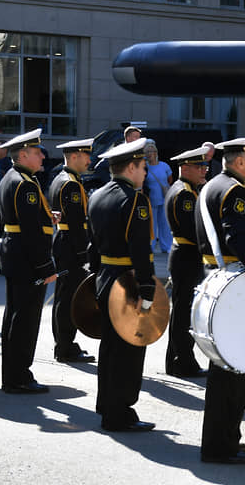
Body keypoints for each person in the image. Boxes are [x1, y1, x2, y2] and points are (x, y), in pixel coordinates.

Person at [195, 135, 245, 464]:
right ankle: (222, 445)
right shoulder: (236, 191)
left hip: (217, 281)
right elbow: (236, 236)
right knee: (233, 371)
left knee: (223, 369)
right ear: (241, 161)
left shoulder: (212, 185)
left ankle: (222, 441)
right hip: (234, 286)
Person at [87, 137, 156, 432]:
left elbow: (93, 246)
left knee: (111, 348)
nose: (145, 173)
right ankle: (120, 414)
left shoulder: (97, 195)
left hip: (104, 277)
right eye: (143, 167)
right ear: (130, 167)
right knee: (129, 349)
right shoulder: (135, 200)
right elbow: (140, 251)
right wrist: (148, 290)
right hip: (126, 283)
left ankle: (107, 404)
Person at [0, 129, 57, 394]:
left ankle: (13, 374)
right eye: (37, 152)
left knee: (15, 316)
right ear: (23, 154)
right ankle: (19, 377)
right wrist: (46, 268)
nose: (43, 156)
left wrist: (46, 217)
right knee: (25, 320)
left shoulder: (13, 177)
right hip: (27, 260)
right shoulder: (25, 183)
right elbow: (31, 232)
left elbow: (22, 220)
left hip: (16, 254)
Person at [48, 138, 95, 364]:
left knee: (63, 296)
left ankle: (64, 343)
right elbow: (77, 223)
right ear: (74, 156)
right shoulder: (71, 184)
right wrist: (83, 254)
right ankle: (65, 347)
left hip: (64, 241)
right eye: (86, 155)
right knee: (69, 298)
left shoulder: (62, 178)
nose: (89, 159)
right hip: (71, 243)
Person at [164, 146, 209, 378]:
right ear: (185, 167)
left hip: (185, 256)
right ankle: (182, 361)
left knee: (183, 312)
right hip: (187, 257)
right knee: (184, 314)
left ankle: (177, 359)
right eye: (199, 166)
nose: (204, 170)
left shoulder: (186, 189)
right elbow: (194, 231)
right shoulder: (185, 194)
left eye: (204, 166)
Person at [144, 140, 173, 253]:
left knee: (164, 224)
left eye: (151, 151)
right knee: (151, 225)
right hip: (151, 199)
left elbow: (169, 180)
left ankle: (166, 246)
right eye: (147, 152)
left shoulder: (164, 165)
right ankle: (150, 247)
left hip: (164, 198)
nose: (150, 154)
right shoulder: (144, 167)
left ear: (156, 153)